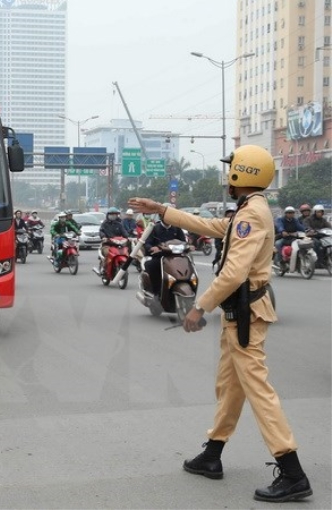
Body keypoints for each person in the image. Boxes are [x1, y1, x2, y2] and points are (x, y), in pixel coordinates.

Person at [129, 144, 312, 503]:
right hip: (240, 313)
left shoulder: (251, 215)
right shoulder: (249, 210)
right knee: (230, 388)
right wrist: (163, 210)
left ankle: (293, 472)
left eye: (231, 169)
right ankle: (212, 455)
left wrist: (199, 307)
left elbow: (234, 272)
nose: (227, 175)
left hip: (246, 313)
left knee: (258, 390)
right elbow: (213, 226)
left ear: (240, 174)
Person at [142, 210, 186, 296]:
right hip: (160, 257)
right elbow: (147, 243)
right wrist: (152, 248)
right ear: (161, 217)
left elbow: (183, 241)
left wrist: (189, 246)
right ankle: (156, 292)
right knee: (151, 266)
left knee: (188, 264)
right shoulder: (154, 228)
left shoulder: (177, 228)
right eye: (167, 216)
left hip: (175, 256)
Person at [97, 207, 129, 275]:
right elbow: (101, 231)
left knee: (126, 251)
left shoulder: (119, 224)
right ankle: (104, 268)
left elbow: (124, 233)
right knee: (107, 253)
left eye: (115, 214)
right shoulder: (104, 224)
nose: (113, 216)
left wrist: (128, 237)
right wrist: (103, 237)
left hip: (118, 245)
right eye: (111, 214)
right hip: (107, 244)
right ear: (108, 215)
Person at [212, 205, 236, 271]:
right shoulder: (220, 227)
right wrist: (220, 252)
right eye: (228, 216)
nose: (230, 218)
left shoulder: (240, 228)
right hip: (222, 255)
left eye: (232, 216)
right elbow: (217, 243)